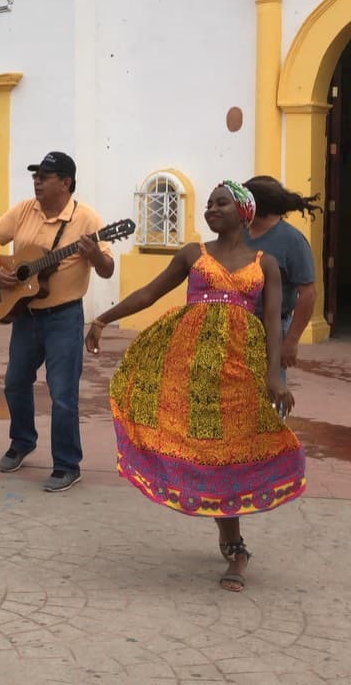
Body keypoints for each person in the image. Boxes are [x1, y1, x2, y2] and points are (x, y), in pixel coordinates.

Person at [85, 181, 305, 592]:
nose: (211, 208)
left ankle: (234, 546)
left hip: (240, 369)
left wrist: (275, 375)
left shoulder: (266, 263)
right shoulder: (192, 254)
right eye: (208, 203)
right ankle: (233, 545)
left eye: (220, 202)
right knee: (205, 449)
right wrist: (102, 318)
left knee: (230, 452)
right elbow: (150, 293)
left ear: (244, 211)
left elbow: (273, 322)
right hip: (191, 369)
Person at [0, 151, 115, 492]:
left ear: (65, 182)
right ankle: (22, 441)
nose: (37, 181)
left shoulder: (87, 219)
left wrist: (94, 254)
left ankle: (67, 465)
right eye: (35, 175)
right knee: (14, 382)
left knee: (63, 393)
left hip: (64, 317)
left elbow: (107, 268)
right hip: (26, 314)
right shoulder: (24, 209)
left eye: (45, 176)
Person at [243, 175, 319, 372]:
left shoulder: (292, 241)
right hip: (237, 324)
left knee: (270, 391)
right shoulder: (238, 233)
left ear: (259, 205)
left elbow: (308, 294)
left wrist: (291, 341)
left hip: (271, 327)